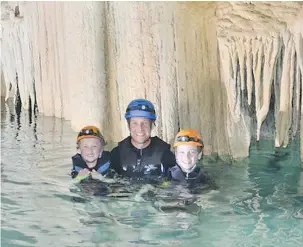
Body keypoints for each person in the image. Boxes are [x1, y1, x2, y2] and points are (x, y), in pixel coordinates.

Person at [110, 99, 175, 182]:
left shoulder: (165, 154)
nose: (140, 129)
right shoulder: (117, 154)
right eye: (134, 123)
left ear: (152, 125)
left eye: (145, 123)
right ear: (128, 125)